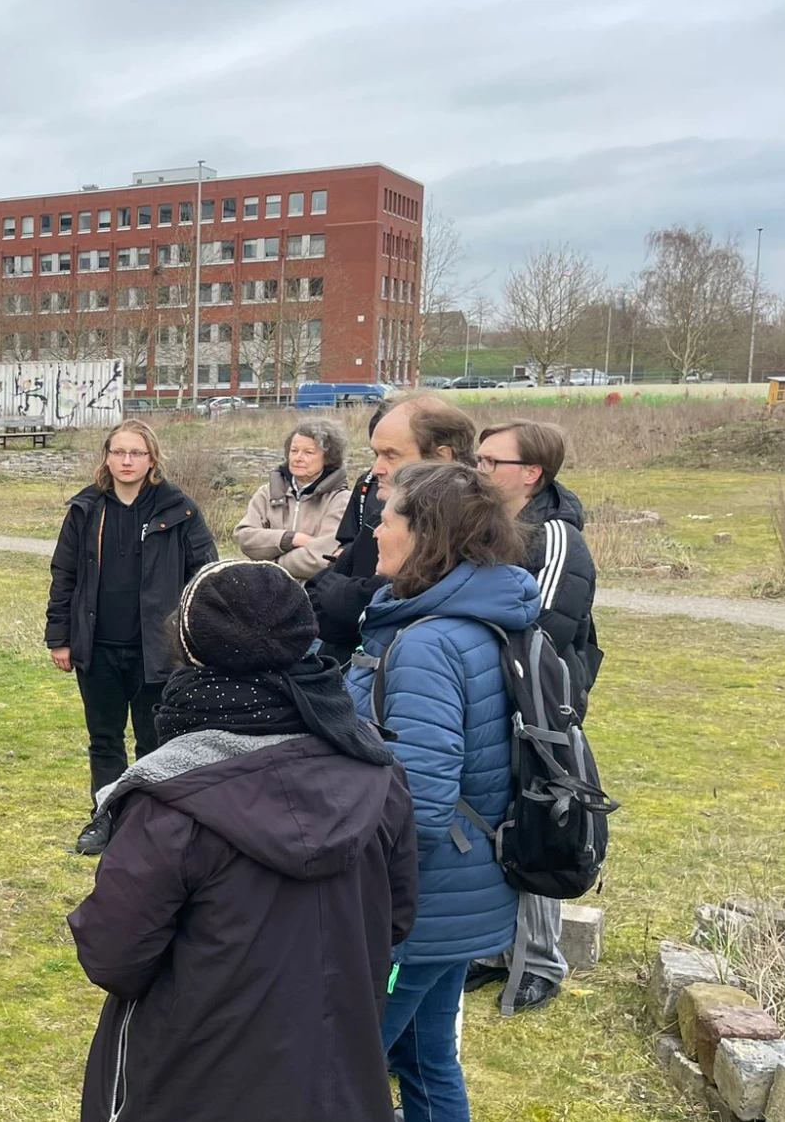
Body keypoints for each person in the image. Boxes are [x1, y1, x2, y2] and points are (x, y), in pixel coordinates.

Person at [71, 560, 416, 1122]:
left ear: (190, 656)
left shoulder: (171, 804)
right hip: (340, 1111)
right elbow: (396, 920)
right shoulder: (376, 775)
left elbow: (114, 953)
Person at [345, 461, 537, 1122]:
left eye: (388, 518)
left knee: (340, 1069)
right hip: (474, 891)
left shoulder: (427, 643)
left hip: (420, 905)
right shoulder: (490, 617)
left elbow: (416, 803)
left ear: (427, 536)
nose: (376, 531)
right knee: (430, 1071)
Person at [465, 419, 602, 1016]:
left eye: (492, 462)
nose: (480, 470)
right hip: (489, 693)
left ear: (530, 473)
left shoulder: (556, 538)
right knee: (494, 819)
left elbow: (539, 630)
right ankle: (495, 951)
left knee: (540, 816)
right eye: (478, 459)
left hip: (538, 706)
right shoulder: (489, 522)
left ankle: (543, 960)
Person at [45, 419, 218, 857]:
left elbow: (204, 575)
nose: (126, 461)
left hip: (157, 652)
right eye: (118, 452)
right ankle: (104, 817)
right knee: (104, 740)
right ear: (106, 456)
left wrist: (195, 641)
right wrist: (59, 637)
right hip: (98, 647)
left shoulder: (179, 509)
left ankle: (151, 823)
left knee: (153, 740)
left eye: (136, 453)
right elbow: (64, 576)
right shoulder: (86, 509)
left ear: (151, 458)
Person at [307, 395, 477, 660]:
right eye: (376, 454)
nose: (376, 470)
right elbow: (317, 601)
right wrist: (353, 596)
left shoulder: (478, 533)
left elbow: (381, 612)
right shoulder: (380, 517)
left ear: (442, 457)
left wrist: (348, 596)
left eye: (390, 455)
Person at [233, 418, 351, 579]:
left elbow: (324, 557)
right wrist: (290, 539)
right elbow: (245, 537)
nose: (298, 458)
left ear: (328, 458)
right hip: (266, 590)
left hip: (312, 594)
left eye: (308, 452)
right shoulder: (267, 493)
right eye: (294, 451)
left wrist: (270, 565)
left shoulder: (340, 500)